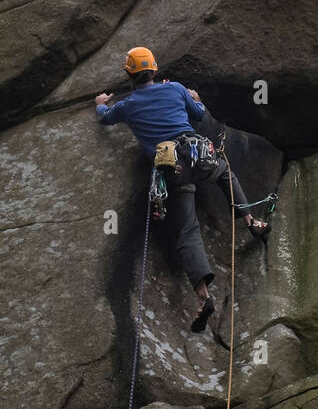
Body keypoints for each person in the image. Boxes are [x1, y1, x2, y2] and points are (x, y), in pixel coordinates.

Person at [95, 46, 267, 332]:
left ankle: (203, 297)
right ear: (154, 69)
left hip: (169, 168)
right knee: (225, 175)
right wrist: (195, 98)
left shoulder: (128, 106)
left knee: (187, 228)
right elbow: (198, 115)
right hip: (195, 153)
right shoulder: (174, 88)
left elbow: (105, 117)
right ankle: (252, 221)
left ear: (129, 75)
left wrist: (100, 102)